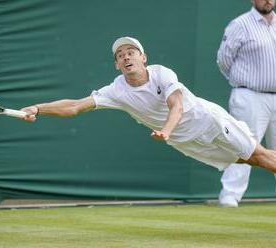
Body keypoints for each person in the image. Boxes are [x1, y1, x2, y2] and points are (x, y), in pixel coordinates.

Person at [21, 36, 276, 180]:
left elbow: (176, 106)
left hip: (209, 122)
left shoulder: (162, 74)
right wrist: (38, 108)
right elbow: (76, 106)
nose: (126, 56)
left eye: (132, 52)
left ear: (143, 58)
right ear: (117, 65)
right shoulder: (116, 90)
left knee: (261, 156)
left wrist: (165, 130)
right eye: (120, 55)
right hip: (187, 142)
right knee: (251, 161)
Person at [216, 0, 276, 207]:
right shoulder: (239, 24)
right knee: (244, 145)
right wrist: (243, 83)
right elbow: (224, 60)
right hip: (250, 95)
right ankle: (230, 197)